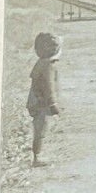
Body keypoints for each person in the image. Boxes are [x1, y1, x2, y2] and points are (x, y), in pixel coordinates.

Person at [27, 31, 62, 166]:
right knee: (41, 128)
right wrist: (53, 104)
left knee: (39, 127)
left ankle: (37, 154)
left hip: (35, 100)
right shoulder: (48, 65)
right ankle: (37, 157)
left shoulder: (41, 62)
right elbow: (49, 86)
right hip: (41, 102)